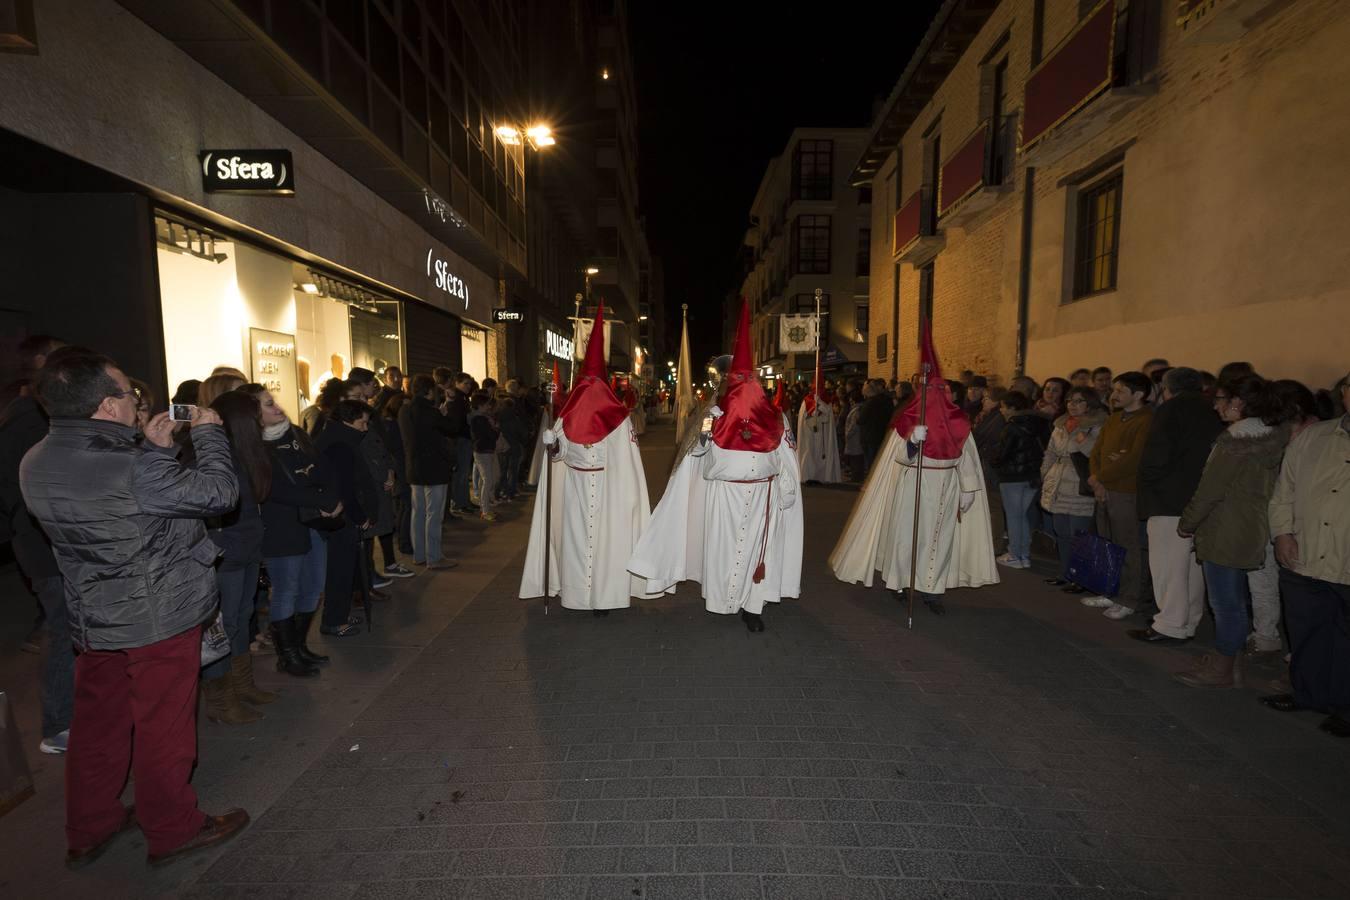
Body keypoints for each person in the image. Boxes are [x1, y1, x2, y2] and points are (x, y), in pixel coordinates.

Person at [20, 352, 248, 866]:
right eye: (129, 394)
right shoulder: (131, 467)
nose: (137, 402)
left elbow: (124, 511)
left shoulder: (36, 459)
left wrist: (155, 451)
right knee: (162, 728)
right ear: (106, 406)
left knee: (98, 728)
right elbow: (219, 494)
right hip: (157, 616)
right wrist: (209, 434)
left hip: (93, 618)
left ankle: (89, 826)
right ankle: (172, 829)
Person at [631, 301, 802, 632]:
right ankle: (721, 599)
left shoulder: (777, 419)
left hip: (762, 497)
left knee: (757, 553)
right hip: (723, 495)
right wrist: (708, 434)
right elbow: (695, 455)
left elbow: (785, 457)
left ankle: (753, 606)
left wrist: (785, 488)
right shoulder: (713, 415)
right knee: (723, 549)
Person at [830, 326, 997, 615]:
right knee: (907, 537)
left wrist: (969, 488)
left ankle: (932, 588)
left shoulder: (958, 421)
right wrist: (912, 443)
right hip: (913, 485)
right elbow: (896, 459)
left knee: (939, 540)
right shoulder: (909, 420)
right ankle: (902, 582)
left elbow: (967, 456)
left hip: (946, 486)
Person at [523, 302, 658, 614]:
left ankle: (603, 599)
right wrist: (553, 445)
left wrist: (626, 497)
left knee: (606, 548)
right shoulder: (567, 414)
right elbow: (561, 454)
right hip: (574, 490)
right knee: (575, 545)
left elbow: (626, 464)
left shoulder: (619, 419)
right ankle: (576, 597)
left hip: (608, 492)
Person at [1171, 375, 1288, 688]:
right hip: (1253, 524)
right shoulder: (1275, 435)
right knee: (1235, 600)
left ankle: (1223, 666)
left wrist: (1188, 523)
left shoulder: (1235, 440)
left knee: (1225, 603)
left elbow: (1210, 490)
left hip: (1226, 526)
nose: (1215, 405)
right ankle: (1229, 662)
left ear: (1239, 403)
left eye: (1221, 398)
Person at [1260, 373, 1350, 736]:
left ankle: (1345, 707)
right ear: (1344, 393)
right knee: (1308, 630)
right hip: (1306, 554)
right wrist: (1282, 533)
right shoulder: (1315, 436)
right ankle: (1309, 693)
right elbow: (1284, 490)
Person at [0, 336, 72, 756]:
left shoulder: (29, 418)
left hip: (44, 543)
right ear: (43, 364)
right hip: (44, 547)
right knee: (63, 633)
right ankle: (59, 726)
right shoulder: (29, 423)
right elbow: (25, 493)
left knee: (65, 631)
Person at [245, 384, 338, 674]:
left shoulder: (295, 433)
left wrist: (330, 499)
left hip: (313, 522)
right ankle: (287, 656)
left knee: (313, 587)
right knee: (287, 590)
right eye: (268, 405)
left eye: (274, 402)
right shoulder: (253, 446)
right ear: (253, 415)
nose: (277, 408)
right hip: (281, 527)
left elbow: (322, 468)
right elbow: (274, 488)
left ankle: (298, 648)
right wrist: (319, 498)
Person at [1128, 367, 1225, 644]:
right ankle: (1188, 620)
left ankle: (1169, 623)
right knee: (1192, 566)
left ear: (1166, 388)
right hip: (1200, 498)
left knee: (1168, 566)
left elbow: (1156, 455)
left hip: (1168, 498)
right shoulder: (1209, 409)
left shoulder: (1170, 410)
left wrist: (1147, 488)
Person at [200, 390, 277, 724]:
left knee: (242, 617)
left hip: (246, 548)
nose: (263, 418)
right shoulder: (218, 455)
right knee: (225, 624)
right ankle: (221, 700)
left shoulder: (244, 452)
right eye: (257, 413)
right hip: (228, 552)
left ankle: (243, 685)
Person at [1081, 372, 1154, 619]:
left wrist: (1101, 477)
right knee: (1108, 542)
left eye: (1121, 391)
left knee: (1128, 546)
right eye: (1114, 390)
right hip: (1104, 488)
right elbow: (1097, 452)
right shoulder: (1114, 419)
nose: (1114, 395)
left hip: (1126, 491)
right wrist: (1096, 478)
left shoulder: (1146, 420)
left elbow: (1133, 458)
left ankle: (1129, 598)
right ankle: (1110, 591)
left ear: (1139, 394)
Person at [315, 400, 379, 637]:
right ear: (347, 421)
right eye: (362, 422)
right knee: (340, 570)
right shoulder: (340, 445)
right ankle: (334, 620)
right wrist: (360, 516)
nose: (365, 428)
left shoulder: (338, 439)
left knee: (344, 568)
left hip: (341, 515)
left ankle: (338, 614)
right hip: (341, 518)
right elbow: (344, 487)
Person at [1039, 386, 1107, 593]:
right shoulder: (1061, 424)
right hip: (1058, 481)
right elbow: (1050, 452)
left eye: (1078, 401)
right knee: (1062, 532)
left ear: (1090, 403)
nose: (1072, 405)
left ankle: (1082, 577)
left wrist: (1082, 439)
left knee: (1080, 534)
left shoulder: (1098, 425)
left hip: (1080, 483)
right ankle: (1065, 573)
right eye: (1070, 401)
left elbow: (1097, 454)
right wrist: (1045, 473)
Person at [399, 374, 460, 570]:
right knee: (434, 514)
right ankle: (434, 557)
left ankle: (419, 555)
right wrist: (448, 407)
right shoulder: (430, 412)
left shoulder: (405, 410)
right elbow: (452, 427)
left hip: (414, 467)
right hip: (434, 468)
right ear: (429, 391)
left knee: (418, 513)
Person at [992, 392, 1050, 569]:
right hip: (1032, 476)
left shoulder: (1012, 427)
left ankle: (1015, 554)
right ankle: (1024, 554)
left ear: (1012, 408)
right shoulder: (1039, 423)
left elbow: (1002, 454)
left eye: (1003, 406)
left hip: (1013, 476)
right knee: (1022, 515)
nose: (1001, 410)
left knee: (1013, 516)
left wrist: (993, 461)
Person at [971, 386, 1007, 556]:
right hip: (984, 464)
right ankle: (988, 540)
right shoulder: (986, 417)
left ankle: (995, 544)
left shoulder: (998, 418)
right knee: (989, 506)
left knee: (994, 507)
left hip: (992, 468)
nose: (983, 401)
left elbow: (984, 437)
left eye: (987, 398)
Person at [796, 366, 842, 484]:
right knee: (809, 455)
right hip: (810, 433)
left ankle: (823, 476)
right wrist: (812, 410)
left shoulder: (827, 400)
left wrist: (820, 405)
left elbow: (828, 419)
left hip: (823, 434)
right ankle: (808, 475)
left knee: (823, 455)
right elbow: (802, 418)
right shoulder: (807, 400)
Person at [444, 372, 477, 515]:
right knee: (461, 473)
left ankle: (463, 501)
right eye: (465, 383)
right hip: (460, 438)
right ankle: (459, 502)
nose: (468, 386)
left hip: (463, 437)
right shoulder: (457, 398)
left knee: (463, 472)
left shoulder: (462, 398)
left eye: (470, 383)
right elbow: (456, 420)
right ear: (456, 383)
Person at [467, 391, 500, 522]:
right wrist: (495, 428)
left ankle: (484, 507)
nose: (489, 407)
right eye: (487, 405)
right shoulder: (479, 419)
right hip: (483, 451)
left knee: (485, 480)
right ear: (480, 405)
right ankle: (485, 510)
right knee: (488, 480)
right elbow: (491, 435)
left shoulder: (479, 418)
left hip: (484, 450)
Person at [857, 378, 894, 478]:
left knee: (871, 463)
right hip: (880, 435)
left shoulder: (870, 403)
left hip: (869, 437)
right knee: (876, 462)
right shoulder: (887, 400)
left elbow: (860, 420)